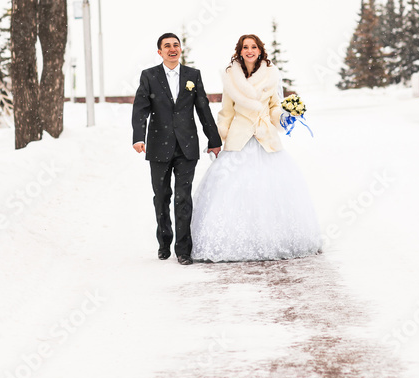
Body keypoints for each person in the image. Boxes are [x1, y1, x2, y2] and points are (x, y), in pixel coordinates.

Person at [190, 34, 322, 263]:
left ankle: (274, 239)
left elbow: (273, 109)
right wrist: (219, 138)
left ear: (260, 51)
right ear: (239, 51)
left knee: (270, 192)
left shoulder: (271, 76)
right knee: (231, 192)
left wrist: (286, 115)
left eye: (253, 47)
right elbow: (227, 111)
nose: (249, 50)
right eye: (245, 47)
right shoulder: (231, 77)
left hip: (265, 138)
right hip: (239, 139)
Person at [132, 33, 221, 264]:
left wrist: (213, 140)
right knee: (161, 197)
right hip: (158, 146)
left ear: (180, 49)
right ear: (159, 52)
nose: (172, 49)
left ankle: (183, 249)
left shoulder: (193, 75)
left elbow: (203, 109)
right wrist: (138, 137)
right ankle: (164, 242)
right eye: (167, 46)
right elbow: (140, 109)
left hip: (186, 146)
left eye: (176, 45)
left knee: (183, 198)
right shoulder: (149, 76)